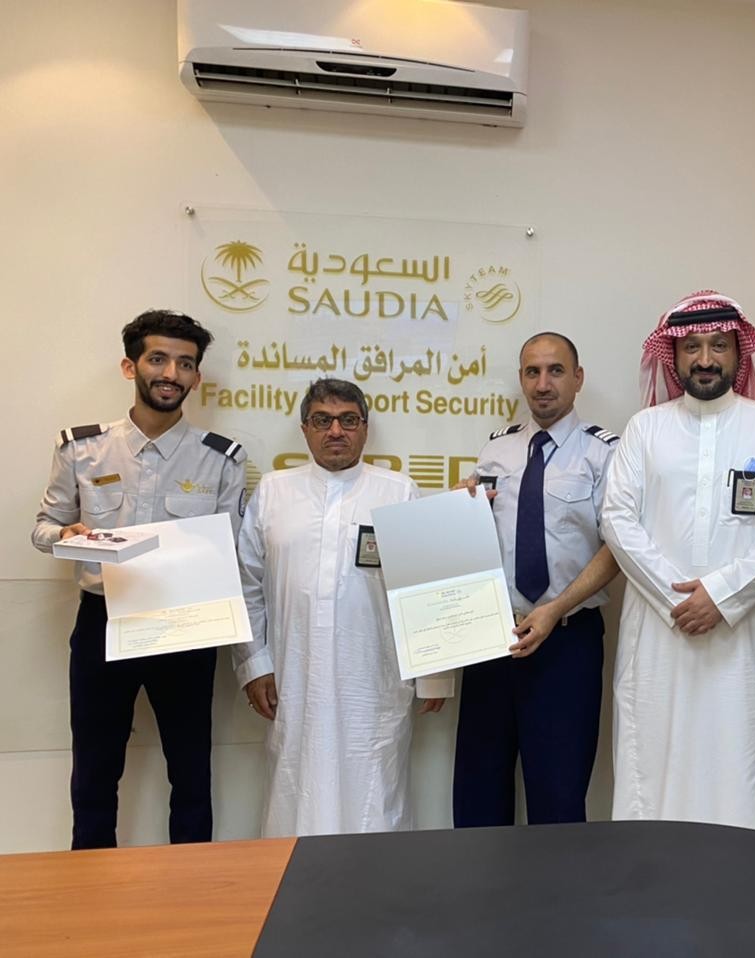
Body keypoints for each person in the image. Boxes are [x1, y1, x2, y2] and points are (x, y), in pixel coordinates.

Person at [32, 309, 246, 849]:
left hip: (186, 623)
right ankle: (90, 881)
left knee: (191, 772)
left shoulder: (222, 459)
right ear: (131, 367)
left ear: (196, 376)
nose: (171, 373)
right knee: (95, 770)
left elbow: (232, 549)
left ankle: (190, 882)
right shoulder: (82, 448)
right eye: (158, 359)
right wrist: (67, 535)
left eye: (185, 363)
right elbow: (43, 526)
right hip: (104, 619)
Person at [600, 290, 755, 835]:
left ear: (739, 353)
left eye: (719, 345)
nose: (705, 359)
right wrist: (678, 598)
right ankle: (654, 876)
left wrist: (721, 595)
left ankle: (748, 879)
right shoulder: (645, 429)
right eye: (691, 347)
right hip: (660, 631)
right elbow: (617, 519)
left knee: (747, 758)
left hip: (746, 633)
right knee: (654, 758)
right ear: (673, 356)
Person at [234, 378, 451, 837]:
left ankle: (375, 882)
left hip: (374, 682)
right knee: (295, 787)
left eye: (348, 420)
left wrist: (433, 673)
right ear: (305, 429)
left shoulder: (398, 492)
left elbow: (424, 588)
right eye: (323, 420)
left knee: (375, 791)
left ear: (365, 428)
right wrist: (255, 664)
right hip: (292, 677)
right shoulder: (273, 492)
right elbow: (247, 583)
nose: (336, 431)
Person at [453, 332, 619, 827]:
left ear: (578, 378)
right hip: (493, 639)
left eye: (555, 371)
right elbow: (477, 539)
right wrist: (460, 511)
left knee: (559, 795)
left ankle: (558, 884)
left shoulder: (604, 453)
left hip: (567, 641)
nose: (543, 384)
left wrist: (554, 610)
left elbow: (617, 548)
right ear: (521, 378)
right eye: (532, 372)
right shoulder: (496, 450)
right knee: (479, 791)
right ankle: (484, 881)